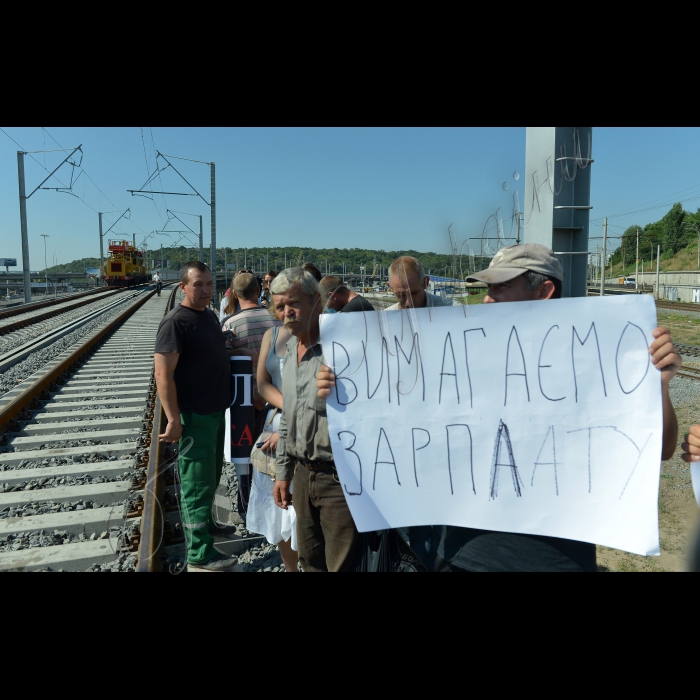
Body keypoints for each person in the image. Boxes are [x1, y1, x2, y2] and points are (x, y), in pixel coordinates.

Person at [316, 244, 682, 572]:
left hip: (552, 558)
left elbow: (661, 451)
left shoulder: (596, 356)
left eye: (500, 287)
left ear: (544, 292)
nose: (487, 300)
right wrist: (344, 385)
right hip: (459, 554)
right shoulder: (460, 349)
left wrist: (658, 388)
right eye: (486, 289)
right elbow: (397, 417)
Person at [271, 267, 360, 571]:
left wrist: (348, 381)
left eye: (293, 303)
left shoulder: (344, 348)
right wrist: (283, 472)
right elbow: (288, 418)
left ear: (317, 303)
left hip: (338, 481)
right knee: (309, 562)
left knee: (341, 566)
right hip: (301, 474)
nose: (287, 313)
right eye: (280, 306)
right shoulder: (291, 351)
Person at [154, 261, 236, 572]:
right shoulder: (176, 322)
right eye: (198, 284)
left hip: (215, 412)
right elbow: (163, 374)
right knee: (196, 484)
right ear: (183, 287)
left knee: (211, 476)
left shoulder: (209, 316)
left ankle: (208, 527)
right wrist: (173, 419)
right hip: (194, 415)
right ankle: (200, 553)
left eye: (209, 284)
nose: (205, 290)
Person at [222, 272, 281, 521]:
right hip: (276, 401)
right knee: (273, 456)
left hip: (245, 401)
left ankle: (247, 507)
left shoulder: (229, 325)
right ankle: (276, 506)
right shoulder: (277, 321)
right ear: (259, 291)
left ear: (235, 294)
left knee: (245, 455)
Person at [249, 318, 299, 571]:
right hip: (278, 423)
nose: (287, 310)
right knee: (280, 509)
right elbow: (262, 383)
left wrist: (291, 421)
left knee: (301, 510)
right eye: (280, 304)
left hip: (306, 427)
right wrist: (288, 415)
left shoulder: (323, 331)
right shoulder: (272, 333)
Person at [385, 256, 459, 310]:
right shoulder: (386, 319)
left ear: (426, 282)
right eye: (401, 295)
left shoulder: (454, 309)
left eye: (413, 293)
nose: (408, 303)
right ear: (390, 287)